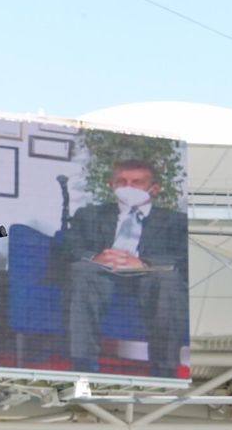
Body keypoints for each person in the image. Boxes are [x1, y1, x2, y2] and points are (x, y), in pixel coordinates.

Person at [62, 159, 188, 377]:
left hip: (149, 274)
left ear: (154, 188)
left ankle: (165, 371)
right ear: (111, 185)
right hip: (102, 273)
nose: (128, 187)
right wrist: (96, 257)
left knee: (168, 280)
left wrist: (145, 263)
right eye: (122, 181)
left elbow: (184, 255)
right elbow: (69, 246)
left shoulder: (176, 221)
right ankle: (83, 367)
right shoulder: (89, 214)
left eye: (137, 182)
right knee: (82, 271)